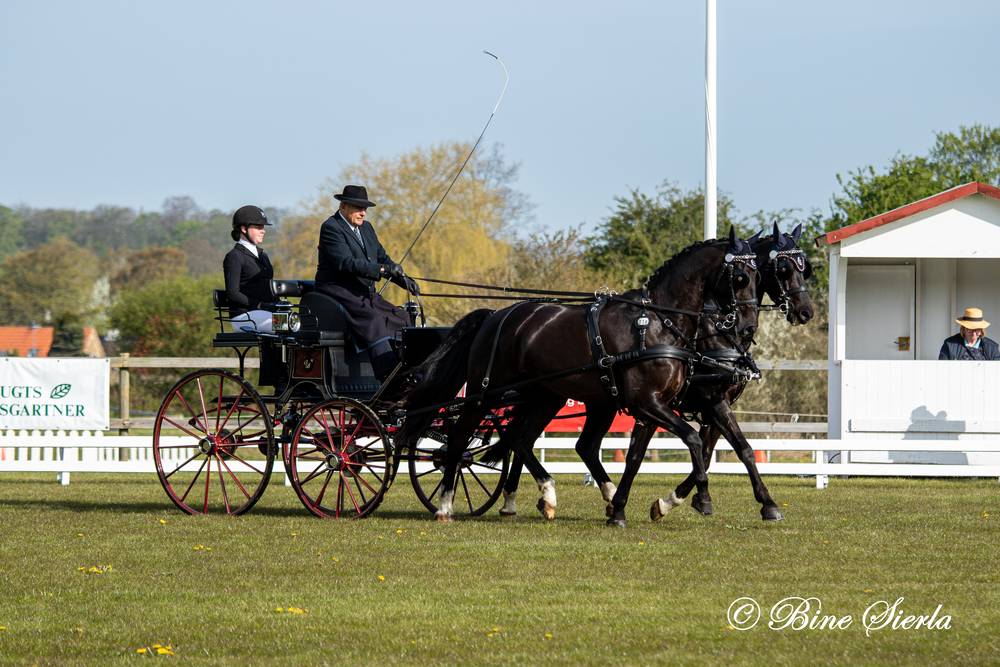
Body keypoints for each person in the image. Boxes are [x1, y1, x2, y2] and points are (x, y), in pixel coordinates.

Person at [314, 185, 419, 378]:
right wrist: (383, 270)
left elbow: (382, 257)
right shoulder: (331, 227)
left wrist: (403, 280)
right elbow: (345, 263)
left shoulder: (367, 228)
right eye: (358, 207)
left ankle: (409, 370)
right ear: (344, 206)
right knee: (374, 319)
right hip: (338, 290)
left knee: (402, 317)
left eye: (365, 209)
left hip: (363, 292)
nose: (363, 213)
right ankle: (386, 375)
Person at [223, 205, 276, 332]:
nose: (263, 230)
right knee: (284, 325)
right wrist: (259, 304)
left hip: (263, 313)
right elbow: (233, 293)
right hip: (243, 316)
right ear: (243, 228)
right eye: (258, 227)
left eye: (263, 227)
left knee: (300, 323)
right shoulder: (234, 256)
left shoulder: (263, 256)